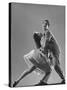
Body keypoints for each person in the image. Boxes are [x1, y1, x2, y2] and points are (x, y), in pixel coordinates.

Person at [13, 23, 52, 87]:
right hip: (41, 58)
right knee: (49, 71)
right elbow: (47, 50)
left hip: (38, 57)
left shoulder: (40, 42)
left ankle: (17, 80)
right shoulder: (43, 41)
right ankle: (42, 82)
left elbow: (36, 34)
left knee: (29, 70)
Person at [35, 20, 65, 85]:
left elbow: (46, 43)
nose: (44, 25)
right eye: (43, 24)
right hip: (50, 52)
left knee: (55, 66)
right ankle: (43, 81)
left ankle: (64, 79)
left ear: (48, 26)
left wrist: (43, 50)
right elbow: (44, 45)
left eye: (46, 24)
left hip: (54, 51)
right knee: (50, 67)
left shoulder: (47, 32)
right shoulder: (44, 35)